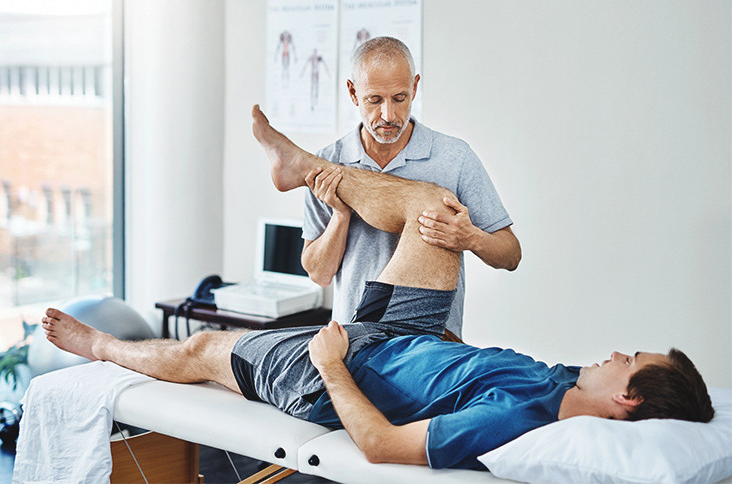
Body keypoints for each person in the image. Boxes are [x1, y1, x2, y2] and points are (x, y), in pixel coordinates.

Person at [41, 106, 714, 471]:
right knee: (433, 206)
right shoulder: (566, 382)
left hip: (349, 365)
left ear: (626, 399)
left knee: (203, 349)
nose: (617, 351)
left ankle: (100, 345)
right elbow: (321, 268)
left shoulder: (519, 420)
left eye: (630, 359)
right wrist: (462, 247)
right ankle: (299, 164)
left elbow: (382, 447)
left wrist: (332, 366)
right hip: (411, 334)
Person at [301, 36, 521, 339]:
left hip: (430, 344)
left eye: (400, 98)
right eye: (374, 100)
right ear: (353, 93)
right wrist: (341, 214)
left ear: (415, 87)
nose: (389, 115)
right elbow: (319, 274)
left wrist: (471, 237)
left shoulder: (454, 158)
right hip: (353, 343)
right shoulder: (329, 163)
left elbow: (511, 255)